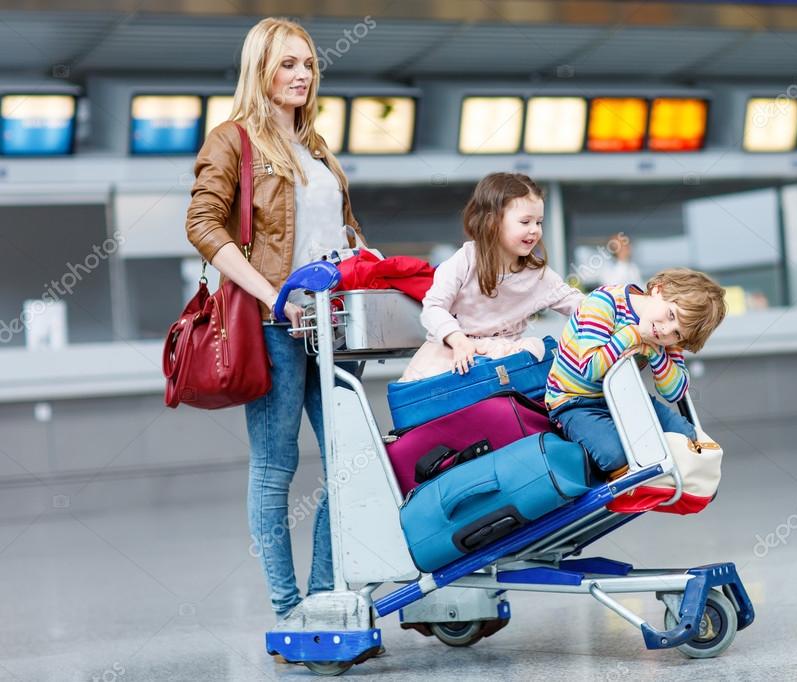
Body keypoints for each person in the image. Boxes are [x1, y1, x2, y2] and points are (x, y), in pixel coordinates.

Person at [184, 17, 366, 630]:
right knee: (275, 465)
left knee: (351, 459)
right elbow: (203, 226)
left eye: (309, 65)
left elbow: (339, 233)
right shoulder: (231, 141)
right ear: (260, 68)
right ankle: (290, 609)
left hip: (334, 327)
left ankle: (321, 597)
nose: (302, 75)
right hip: (272, 326)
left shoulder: (316, 148)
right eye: (288, 64)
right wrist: (273, 296)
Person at [402, 172, 583, 381]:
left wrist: (616, 306)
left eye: (539, 222)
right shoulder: (465, 260)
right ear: (492, 222)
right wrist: (458, 340)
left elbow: (580, 305)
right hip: (452, 359)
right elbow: (433, 308)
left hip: (503, 365)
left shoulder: (537, 274)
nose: (535, 230)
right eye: (525, 222)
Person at [546, 269, 727, 476]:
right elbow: (589, 368)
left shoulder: (663, 336)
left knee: (687, 438)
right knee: (615, 455)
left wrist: (655, 352)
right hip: (574, 402)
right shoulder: (604, 303)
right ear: (659, 290)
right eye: (671, 315)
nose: (667, 330)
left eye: (677, 333)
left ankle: (660, 476)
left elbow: (674, 392)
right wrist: (632, 334)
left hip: (624, 398)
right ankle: (627, 476)